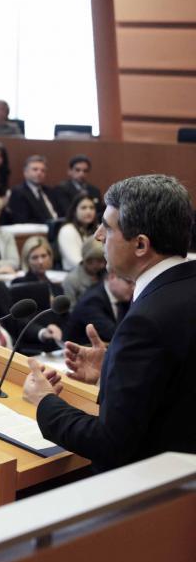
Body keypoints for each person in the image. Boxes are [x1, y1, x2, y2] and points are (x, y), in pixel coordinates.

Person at [22, 173, 196, 471]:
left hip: (154, 486)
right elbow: (177, 383)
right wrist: (112, 368)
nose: (98, 235)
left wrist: (45, 402)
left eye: (108, 226)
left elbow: (109, 443)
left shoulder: (145, 322)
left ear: (140, 244)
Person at [64, 270, 133, 346]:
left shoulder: (122, 298)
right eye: (129, 282)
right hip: (78, 349)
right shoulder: (91, 301)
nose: (133, 288)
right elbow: (114, 335)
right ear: (112, 277)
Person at [5, 155, 60, 224]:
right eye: (35, 169)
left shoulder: (50, 191)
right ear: (25, 172)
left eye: (43, 170)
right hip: (36, 229)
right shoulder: (18, 192)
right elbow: (22, 220)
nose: (39, 173)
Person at [57, 192, 100, 271]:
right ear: (74, 211)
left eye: (92, 208)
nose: (88, 211)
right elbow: (76, 262)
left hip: (96, 272)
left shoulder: (97, 229)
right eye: (83, 208)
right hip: (75, 273)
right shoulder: (67, 230)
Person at [62, 238, 106, 307]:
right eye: (99, 260)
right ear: (88, 259)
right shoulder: (71, 280)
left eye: (104, 260)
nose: (103, 265)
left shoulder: (105, 274)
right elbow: (71, 309)